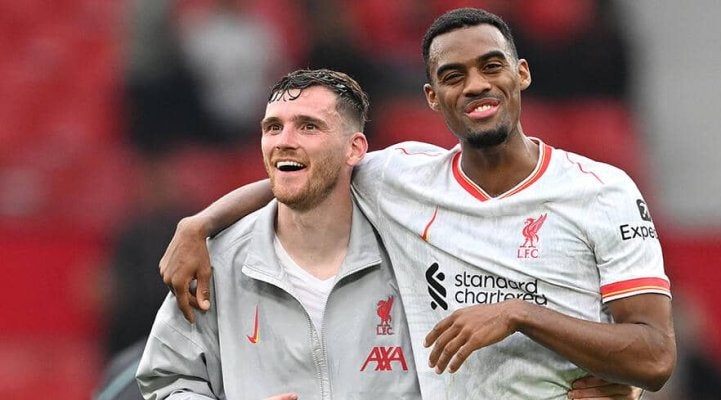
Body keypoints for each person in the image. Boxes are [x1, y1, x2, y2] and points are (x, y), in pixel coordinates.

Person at [159, 8, 675, 399]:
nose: (476, 85)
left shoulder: (602, 192)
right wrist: (198, 225)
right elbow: (308, 172)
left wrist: (520, 315)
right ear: (432, 97)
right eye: (453, 76)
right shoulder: (403, 178)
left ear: (521, 73)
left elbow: (655, 358)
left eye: (491, 66)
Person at [136, 69, 420, 399]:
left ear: (354, 149)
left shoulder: (409, 253)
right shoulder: (216, 265)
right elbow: (169, 383)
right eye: (273, 127)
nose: (284, 141)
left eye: (308, 126)